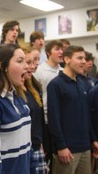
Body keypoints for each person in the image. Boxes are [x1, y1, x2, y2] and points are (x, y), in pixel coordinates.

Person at [47, 45, 98, 174]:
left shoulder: (82, 83)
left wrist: (93, 140)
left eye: (84, 58)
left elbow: (86, 115)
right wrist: (61, 146)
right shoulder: (55, 85)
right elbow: (53, 119)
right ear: (67, 59)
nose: (84, 61)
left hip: (85, 147)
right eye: (79, 58)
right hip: (67, 150)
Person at [0, 44, 36, 174]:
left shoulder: (18, 97)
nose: (26, 66)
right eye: (20, 61)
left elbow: (28, 146)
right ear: (2, 66)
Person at [33, 40, 63, 171]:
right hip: (45, 121)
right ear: (48, 53)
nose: (61, 52)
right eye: (57, 49)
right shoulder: (39, 71)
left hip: (61, 120)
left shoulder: (63, 71)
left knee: (59, 156)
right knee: (47, 156)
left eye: (62, 49)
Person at [23, 47, 47, 174]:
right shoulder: (14, 93)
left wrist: (41, 147)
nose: (32, 66)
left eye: (34, 62)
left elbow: (38, 123)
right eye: (28, 62)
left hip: (37, 148)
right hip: (25, 151)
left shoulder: (34, 88)